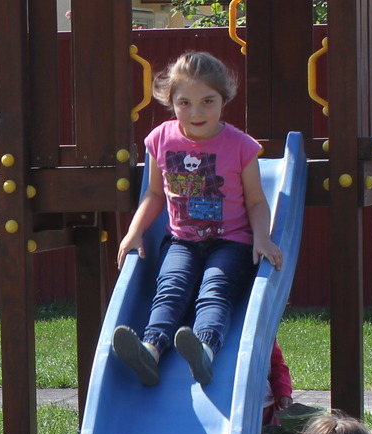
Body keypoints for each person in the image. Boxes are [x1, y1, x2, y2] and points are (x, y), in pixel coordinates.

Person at [112, 51, 284, 387]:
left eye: (207, 101)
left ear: (223, 99)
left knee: (215, 290)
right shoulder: (161, 139)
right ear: (171, 102)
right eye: (185, 103)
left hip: (231, 242)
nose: (196, 112)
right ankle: (150, 350)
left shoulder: (240, 146)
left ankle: (204, 350)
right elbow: (154, 194)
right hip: (182, 240)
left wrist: (262, 238)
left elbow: (256, 201)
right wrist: (134, 231)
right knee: (170, 287)